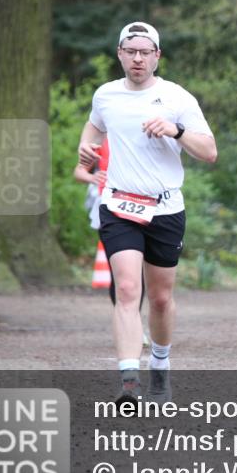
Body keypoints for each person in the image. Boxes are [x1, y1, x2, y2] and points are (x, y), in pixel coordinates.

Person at [77, 22, 217, 404]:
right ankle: (128, 380)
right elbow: (92, 131)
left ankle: (160, 365)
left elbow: (208, 152)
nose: (137, 58)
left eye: (145, 52)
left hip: (166, 207)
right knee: (126, 289)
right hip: (119, 204)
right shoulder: (106, 95)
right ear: (120, 54)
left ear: (157, 56)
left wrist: (175, 130)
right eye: (130, 51)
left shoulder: (177, 98)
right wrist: (86, 151)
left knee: (159, 298)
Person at [73, 139, 148, 344]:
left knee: (139, 273)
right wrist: (92, 176)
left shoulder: (138, 134)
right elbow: (78, 172)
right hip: (107, 209)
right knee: (121, 276)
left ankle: (134, 323)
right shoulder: (99, 140)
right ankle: (129, 325)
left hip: (142, 206)